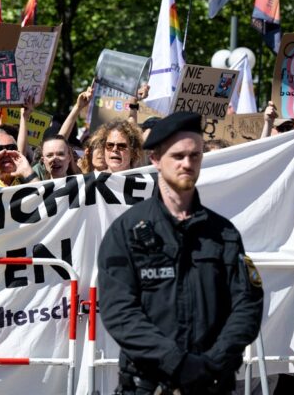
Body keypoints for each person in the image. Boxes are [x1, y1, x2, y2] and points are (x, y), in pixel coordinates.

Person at [97, 111, 263, 394]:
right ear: (155, 160)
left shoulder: (223, 233)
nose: (188, 164)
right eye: (178, 156)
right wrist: (177, 363)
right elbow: (120, 312)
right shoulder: (125, 232)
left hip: (211, 383)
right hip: (148, 386)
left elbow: (247, 305)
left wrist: (211, 364)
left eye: (195, 155)